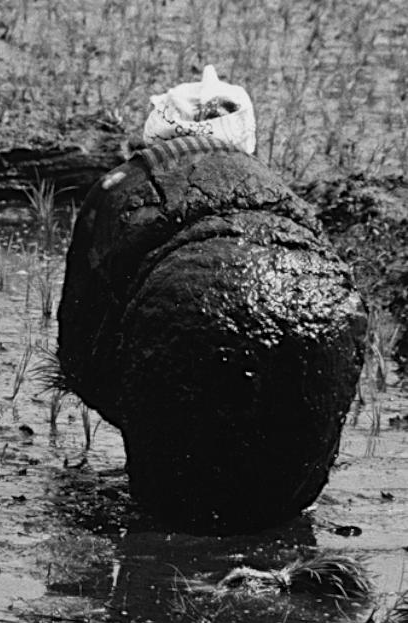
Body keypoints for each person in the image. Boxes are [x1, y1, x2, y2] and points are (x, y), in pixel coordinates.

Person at [56, 67, 366, 530]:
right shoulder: (280, 192)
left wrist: (143, 414)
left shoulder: (115, 189)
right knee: (279, 511)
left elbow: (80, 353)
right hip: (320, 317)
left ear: (154, 132)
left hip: (181, 314)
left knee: (172, 516)